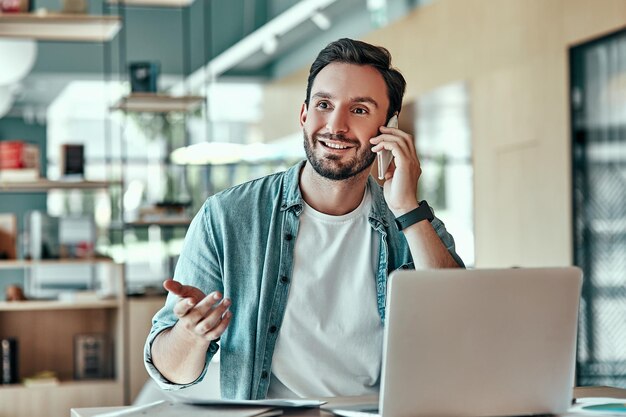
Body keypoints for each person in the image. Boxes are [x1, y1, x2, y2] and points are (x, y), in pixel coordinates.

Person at [145, 38, 464, 400]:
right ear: (304, 114)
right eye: (324, 105)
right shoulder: (227, 217)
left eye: (359, 110)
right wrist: (191, 334)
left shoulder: (410, 223)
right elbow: (171, 373)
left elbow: (459, 329)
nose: (336, 125)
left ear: (387, 129)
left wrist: (408, 210)